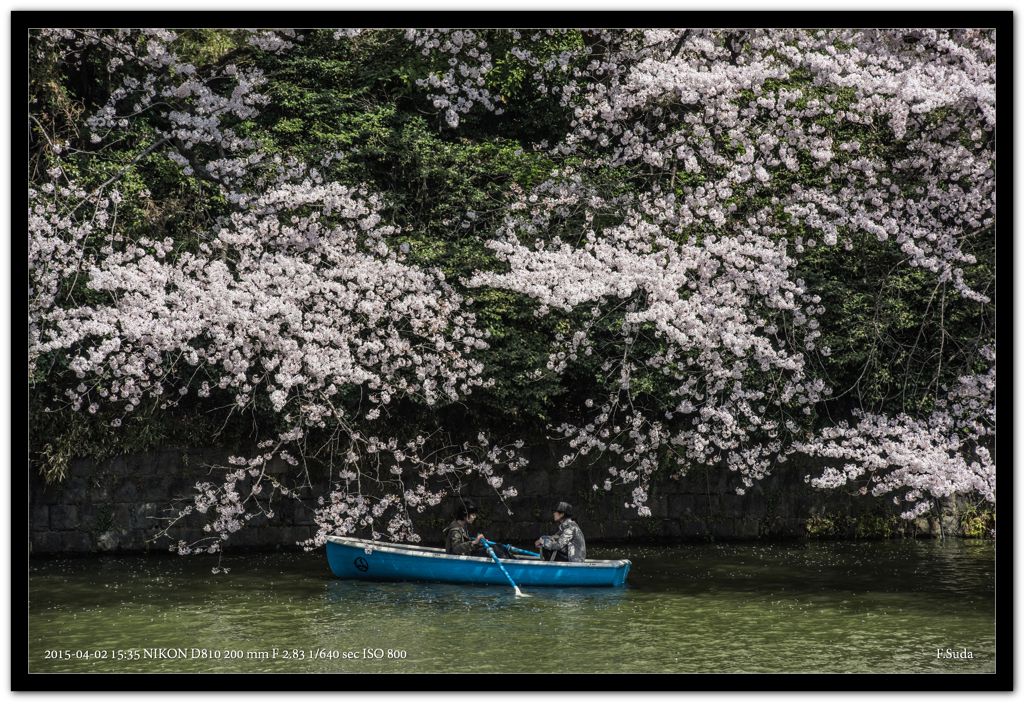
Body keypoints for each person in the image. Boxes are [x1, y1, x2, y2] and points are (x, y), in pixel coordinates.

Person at [443, 501, 512, 558]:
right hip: (461, 559)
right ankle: (508, 565)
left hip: (467, 553)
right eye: (473, 515)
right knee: (495, 549)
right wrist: (474, 542)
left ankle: (514, 560)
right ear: (464, 516)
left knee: (499, 546)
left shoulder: (463, 526)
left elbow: (464, 541)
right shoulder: (455, 530)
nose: (475, 517)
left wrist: (477, 543)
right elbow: (456, 548)